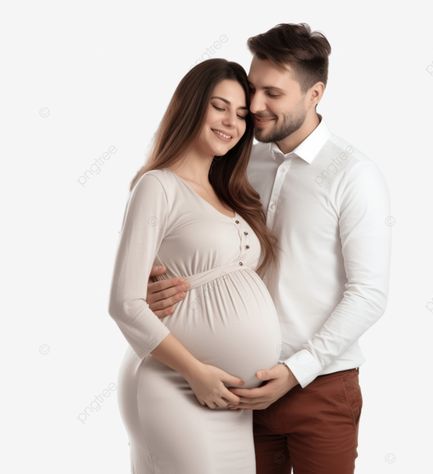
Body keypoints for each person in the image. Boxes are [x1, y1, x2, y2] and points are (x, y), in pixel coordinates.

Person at [146, 23, 391, 474]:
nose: (254, 106)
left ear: (315, 93)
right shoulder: (237, 159)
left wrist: (299, 369)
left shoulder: (353, 174)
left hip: (320, 389)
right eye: (251, 89)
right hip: (231, 388)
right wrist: (156, 283)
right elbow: (197, 241)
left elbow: (369, 293)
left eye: (272, 94)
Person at [107, 58, 282, 474]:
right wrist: (196, 372)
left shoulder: (232, 195)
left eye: (241, 115)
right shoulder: (158, 185)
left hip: (233, 405)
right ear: (191, 106)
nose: (231, 122)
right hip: (177, 386)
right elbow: (124, 303)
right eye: (219, 106)